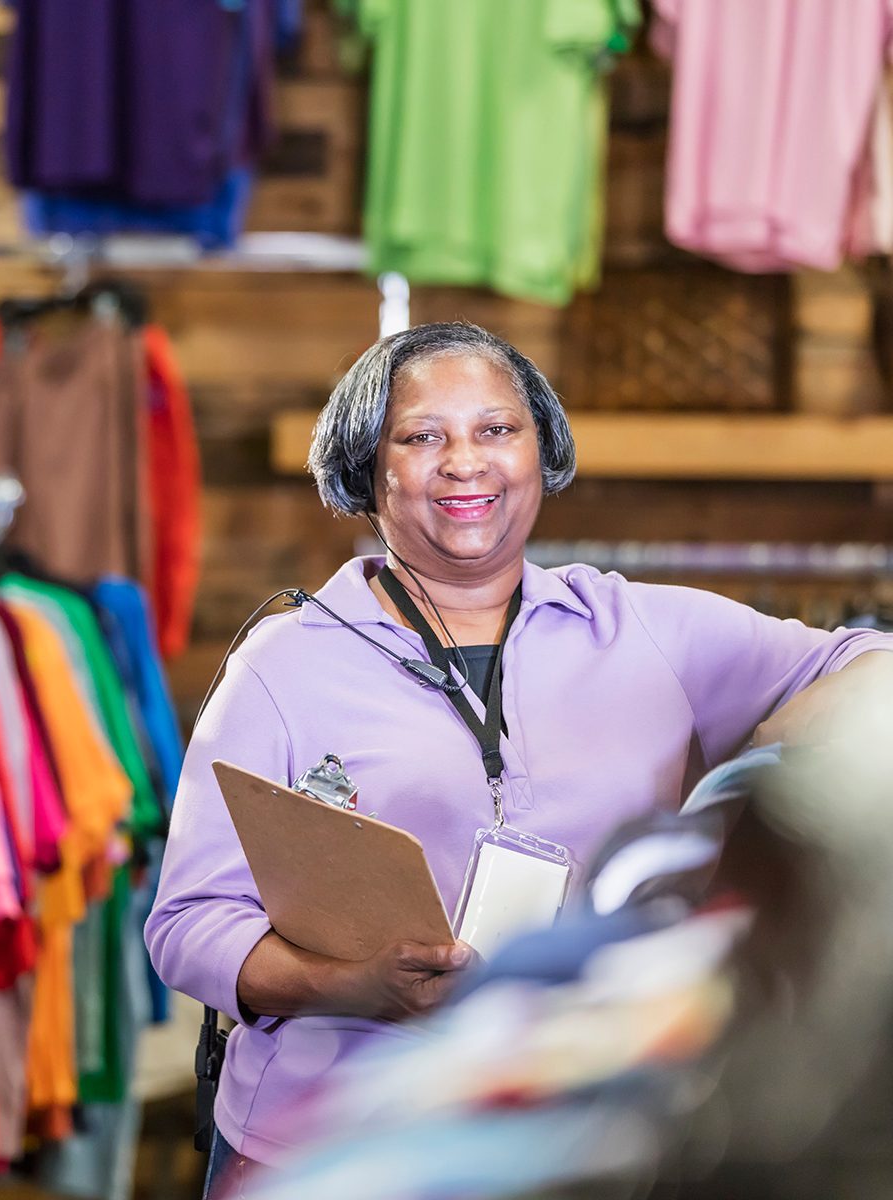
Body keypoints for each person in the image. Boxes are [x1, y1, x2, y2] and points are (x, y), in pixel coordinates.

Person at [144, 321, 893, 1192]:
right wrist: (343, 982)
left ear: (543, 450)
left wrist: (749, 779)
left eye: (497, 430)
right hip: (325, 1133)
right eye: (423, 437)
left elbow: (866, 666)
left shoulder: (644, 629)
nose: (466, 463)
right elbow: (187, 923)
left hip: (578, 1128)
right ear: (367, 469)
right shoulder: (285, 666)